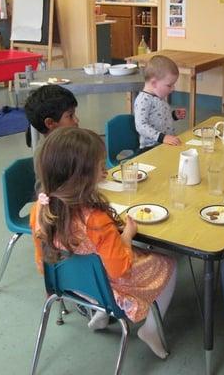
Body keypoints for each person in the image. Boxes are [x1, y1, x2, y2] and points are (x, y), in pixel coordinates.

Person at [30, 127, 177, 359]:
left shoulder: (40, 208)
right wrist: (126, 235)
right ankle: (151, 331)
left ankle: (100, 313)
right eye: (100, 165)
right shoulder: (96, 219)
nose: (106, 169)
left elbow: (42, 261)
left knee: (96, 264)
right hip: (109, 287)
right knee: (169, 262)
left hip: (69, 285)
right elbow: (119, 269)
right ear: (83, 178)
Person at [134, 55, 186, 149]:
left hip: (164, 144)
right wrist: (162, 138)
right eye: (169, 85)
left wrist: (173, 115)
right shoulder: (143, 100)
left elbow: (159, 117)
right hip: (150, 148)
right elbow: (141, 126)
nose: (173, 89)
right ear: (154, 83)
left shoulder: (158, 96)